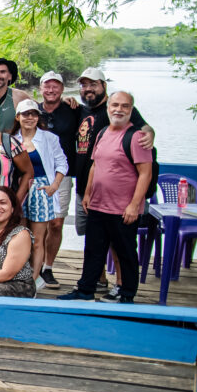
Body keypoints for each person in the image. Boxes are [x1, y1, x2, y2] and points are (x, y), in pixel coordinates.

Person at [59, 92, 153, 304]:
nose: (119, 109)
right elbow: (95, 165)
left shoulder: (136, 137)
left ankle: (126, 293)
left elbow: (145, 174)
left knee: (125, 251)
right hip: (98, 204)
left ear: (131, 110)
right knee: (93, 249)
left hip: (123, 208)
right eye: (115, 105)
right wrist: (88, 193)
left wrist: (134, 205)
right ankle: (86, 290)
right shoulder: (102, 133)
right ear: (108, 107)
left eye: (125, 106)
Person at [12, 99, 68, 289]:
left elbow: (62, 163)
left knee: (37, 239)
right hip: (20, 190)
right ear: (17, 117)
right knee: (20, 236)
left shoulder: (49, 138)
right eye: (25, 114)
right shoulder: (12, 139)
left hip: (41, 188)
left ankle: (34, 280)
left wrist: (54, 185)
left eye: (34, 114)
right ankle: (19, 275)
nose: (30, 118)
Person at [36, 71, 78, 285]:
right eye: (47, 86)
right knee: (37, 222)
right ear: (40, 88)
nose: (51, 90)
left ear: (62, 89)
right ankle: (34, 265)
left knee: (56, 222)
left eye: (55, 86)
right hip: (37, 174)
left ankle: (48, 267)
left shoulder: (74, 110)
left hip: (63, 174)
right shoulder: (33, 111)